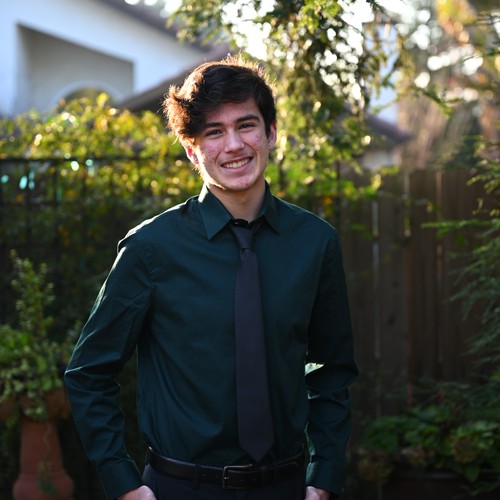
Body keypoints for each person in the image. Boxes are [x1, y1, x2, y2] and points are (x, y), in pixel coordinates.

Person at [64, 55, 358, 500]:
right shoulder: (149, 249)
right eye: (213, 132)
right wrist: (124, 484)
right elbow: (88, 373)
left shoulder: (315, 243)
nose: (233, 145)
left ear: (271, 133)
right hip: (180, 488)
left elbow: (331, 369)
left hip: (287, 487)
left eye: (246, 125)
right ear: (192, 150)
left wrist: (324, 476)